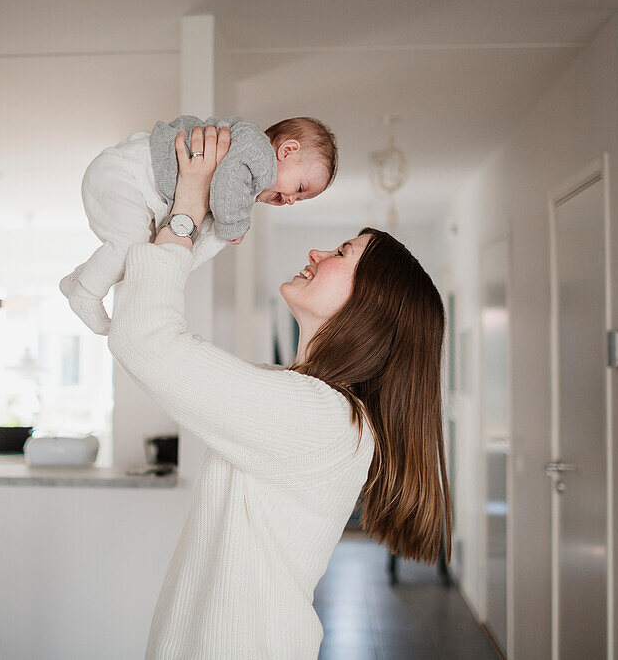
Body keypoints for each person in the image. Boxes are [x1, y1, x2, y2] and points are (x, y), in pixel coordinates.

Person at [108, 124, 452, 659]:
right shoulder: (297, 396)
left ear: (371, 305)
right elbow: (157, 349)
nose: (317, 252)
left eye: (343, 252)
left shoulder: (320, 418)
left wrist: (188, 206)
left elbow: (146, 340)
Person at [60, 115, 338, 335]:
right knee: (128, 245)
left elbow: (206, 236)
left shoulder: (247, 186)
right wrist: (235, 225)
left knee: (139, 254)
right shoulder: (255, 152)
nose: (291, 200)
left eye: (300, 199)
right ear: (287, 150)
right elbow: (227, 182)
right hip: (125, 173)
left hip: (133, 186)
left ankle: (81, 279)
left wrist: (190, 257)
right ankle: (86, 295)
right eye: (299, 188)